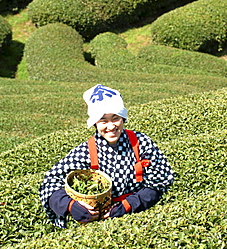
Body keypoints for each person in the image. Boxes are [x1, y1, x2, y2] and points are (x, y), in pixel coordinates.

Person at [39, 84, 174, 228]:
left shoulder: (141, 142)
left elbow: (161, 182)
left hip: (140, 217)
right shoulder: (86, 151)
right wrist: (70, 206)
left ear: (123, 118)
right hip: (98, 223)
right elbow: (50, 183)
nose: (111, 127)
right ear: (95, 123)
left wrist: (129, 205)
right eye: (103, 120)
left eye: (115, 118)